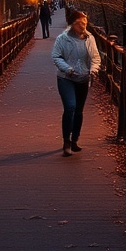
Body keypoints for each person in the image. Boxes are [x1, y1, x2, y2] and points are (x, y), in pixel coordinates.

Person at [50, 10, 101, 156]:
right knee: (70, 106)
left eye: (85, 23)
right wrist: (67, 69)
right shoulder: (62, 39)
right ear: (73, 24)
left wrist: (93, 69)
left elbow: (95, 57)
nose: (83, 26)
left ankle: (75, 140)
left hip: (83, 78)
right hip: (66, 78)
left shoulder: (89, 39)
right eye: (80, 23)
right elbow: (56, 56)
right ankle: (66, 141)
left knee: (78, 110)